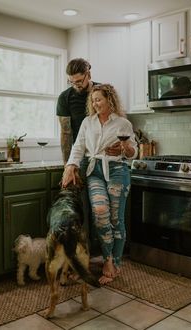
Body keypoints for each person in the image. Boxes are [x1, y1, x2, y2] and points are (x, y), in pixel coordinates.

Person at [62, 84, 138, 285]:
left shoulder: (123, 123)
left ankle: (112, 262)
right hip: (94, 170)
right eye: (93, 100)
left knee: (116, 218)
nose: (95, 104)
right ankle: (109, 257)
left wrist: (125, 147)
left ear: (109, 100)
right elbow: (78, 147)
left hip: (117, 171)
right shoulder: (88, 122)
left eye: (99, 99)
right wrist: (70, 165)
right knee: (101, 212)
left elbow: (134, 153)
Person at [57, 58, 97, 165]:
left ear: (88, 75)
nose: (75, 85)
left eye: (79, 81)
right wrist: (67, 163)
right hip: (80, 154)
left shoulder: (103, 92)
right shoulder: (65, 97)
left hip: (102, 153)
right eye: (71, 82)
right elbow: (66, 133)